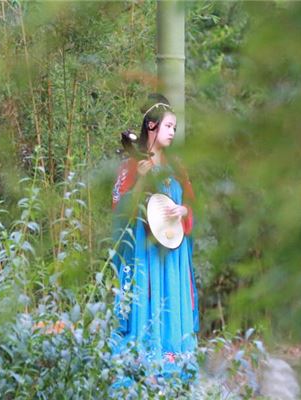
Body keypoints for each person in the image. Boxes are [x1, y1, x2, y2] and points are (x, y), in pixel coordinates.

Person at [108, 93, 199, 389]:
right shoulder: (132, 165)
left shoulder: (177, 167)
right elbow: (119, 212)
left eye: (174, 127)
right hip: (143, 253)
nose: (172, 132)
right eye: (168, 126)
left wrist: (183, 211)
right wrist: (139, 183)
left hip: (172, 254)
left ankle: (174, 370)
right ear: (151, 126)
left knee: (172, 301)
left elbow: (191, 205)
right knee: (146, 300)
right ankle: (142, 369)